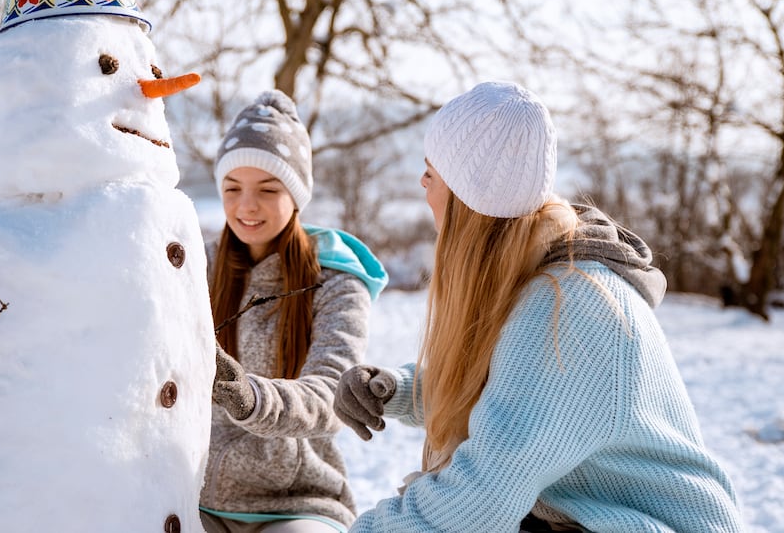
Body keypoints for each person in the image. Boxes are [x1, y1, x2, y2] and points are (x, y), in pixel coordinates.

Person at [334, 81, 744, 532]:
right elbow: (513, 393)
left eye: (432, 172)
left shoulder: (569, 305)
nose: (422, 183)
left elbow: (480, 498)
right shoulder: (534, 276)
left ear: (467, 197)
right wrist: (398, 388)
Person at [201, 90, 388, 533]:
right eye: (232, 189)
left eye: (268, 189)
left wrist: (251, 397)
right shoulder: (194, 268)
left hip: (298, 503)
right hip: (195, 496)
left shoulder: (337, 283)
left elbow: (332, 396)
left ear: (297, 195)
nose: (247, 205)